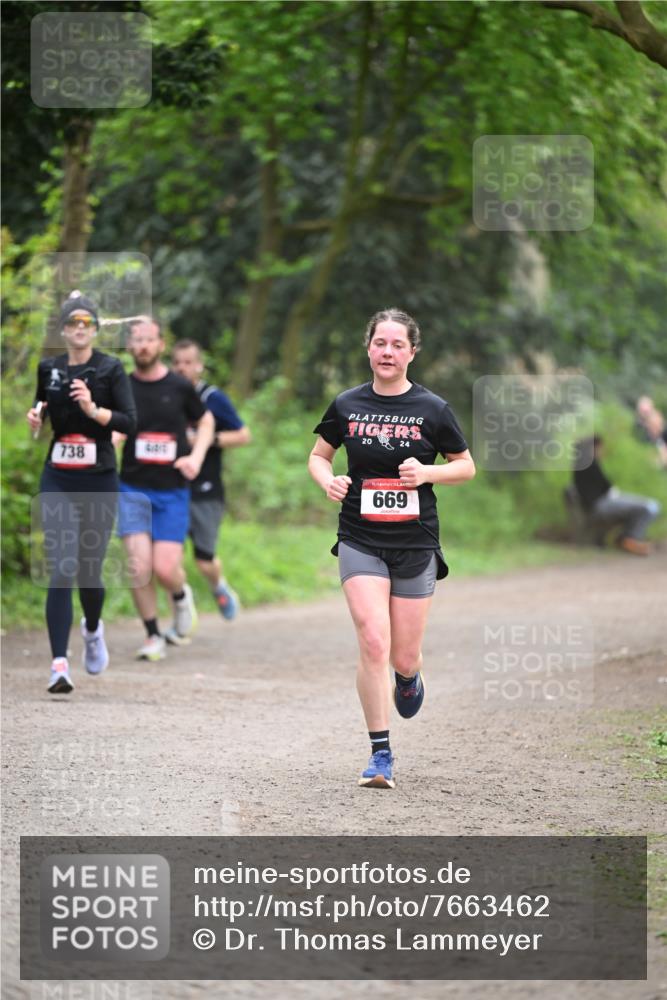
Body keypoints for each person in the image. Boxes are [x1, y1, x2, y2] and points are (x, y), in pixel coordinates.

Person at [308, 309, 475, 789]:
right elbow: (319, 456)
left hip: (414, 542)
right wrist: (329, 480)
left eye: (397, 345)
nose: (387, 352)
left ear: (412, 352)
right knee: (372, 641)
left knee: (403, 656)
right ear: (368, 348)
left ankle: (409, 678)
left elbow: (465, 467)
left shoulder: (433, 409)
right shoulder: (346, 404)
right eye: (380, 343)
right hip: (360, 536)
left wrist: (427, 473)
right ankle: (380, 755)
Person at [26, 291, 137, 694]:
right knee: (62, 565)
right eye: (71, 322)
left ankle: (92, 629)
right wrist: (36, 420)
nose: (78, 328)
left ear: (94, 328)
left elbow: (129, 421)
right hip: (57, 474)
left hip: (99, 474)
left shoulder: (110, 369)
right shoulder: (49, 368)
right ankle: (58, 664)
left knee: (89, 568)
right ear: (62, 329)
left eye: (85, 323)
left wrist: (93, 411)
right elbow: (41, 409)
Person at [118, 318, 215, 660]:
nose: (143, 345)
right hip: (131, 487)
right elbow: (114, 424)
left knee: (164, 567)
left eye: (149, 339)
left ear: (160, 345)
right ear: (130, 346)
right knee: (138, 565)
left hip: (172, 489)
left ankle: (179, 595)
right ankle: (152, 635)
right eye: (137, 340)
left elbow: (205, 421)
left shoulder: (179, 386)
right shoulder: (121, 386)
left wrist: (196, 457)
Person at [171, 339, 251, 619]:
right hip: (170, 486)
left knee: (204, 560)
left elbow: (243, 435)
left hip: (206, 489)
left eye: (188, 363)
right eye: (177, 362)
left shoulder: (212, 398)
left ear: (199, 366)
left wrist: (206, 439)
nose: (182, 368)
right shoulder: (166, 394)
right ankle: (179, 614)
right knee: (168, 557)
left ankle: (218, 586)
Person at [573, 435, 661, 555]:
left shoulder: (583, 464)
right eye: (599, 448)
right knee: (648, 507)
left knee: (648, 505)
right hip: (600, 505)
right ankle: (629, 539)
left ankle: (627, 538)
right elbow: (607, 488)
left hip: (601, 503)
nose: (601, 451)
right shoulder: (588, 464)